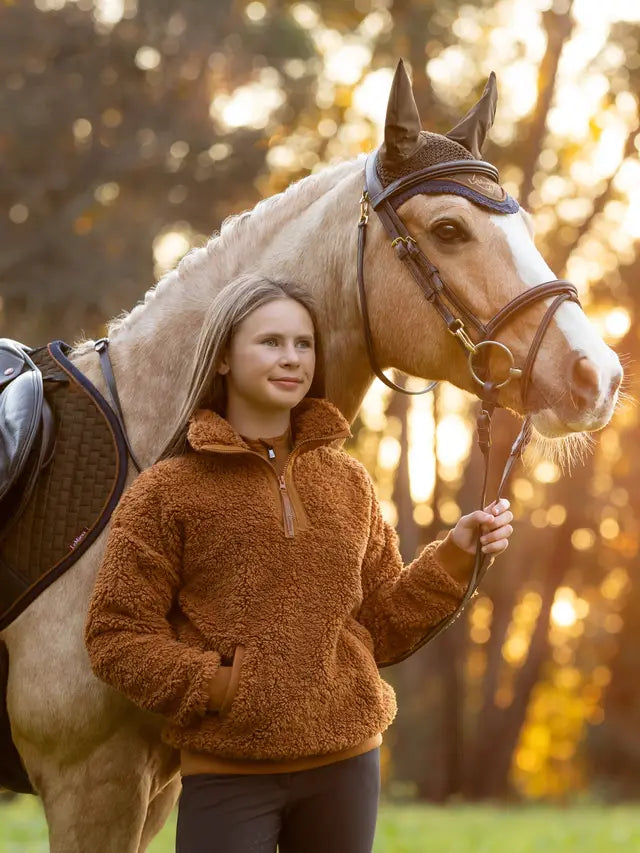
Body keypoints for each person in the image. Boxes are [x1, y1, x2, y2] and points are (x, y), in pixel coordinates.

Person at [84, 272, 513, 853]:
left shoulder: (349, 482)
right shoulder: (167, 492)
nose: (292, 359)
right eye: (271, 342)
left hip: (348, 763)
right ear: (223, 360)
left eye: (304, 344)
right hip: (228, 771)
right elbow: (115, 635)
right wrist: (219, 686)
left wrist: (457, 555)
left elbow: (382, 623)